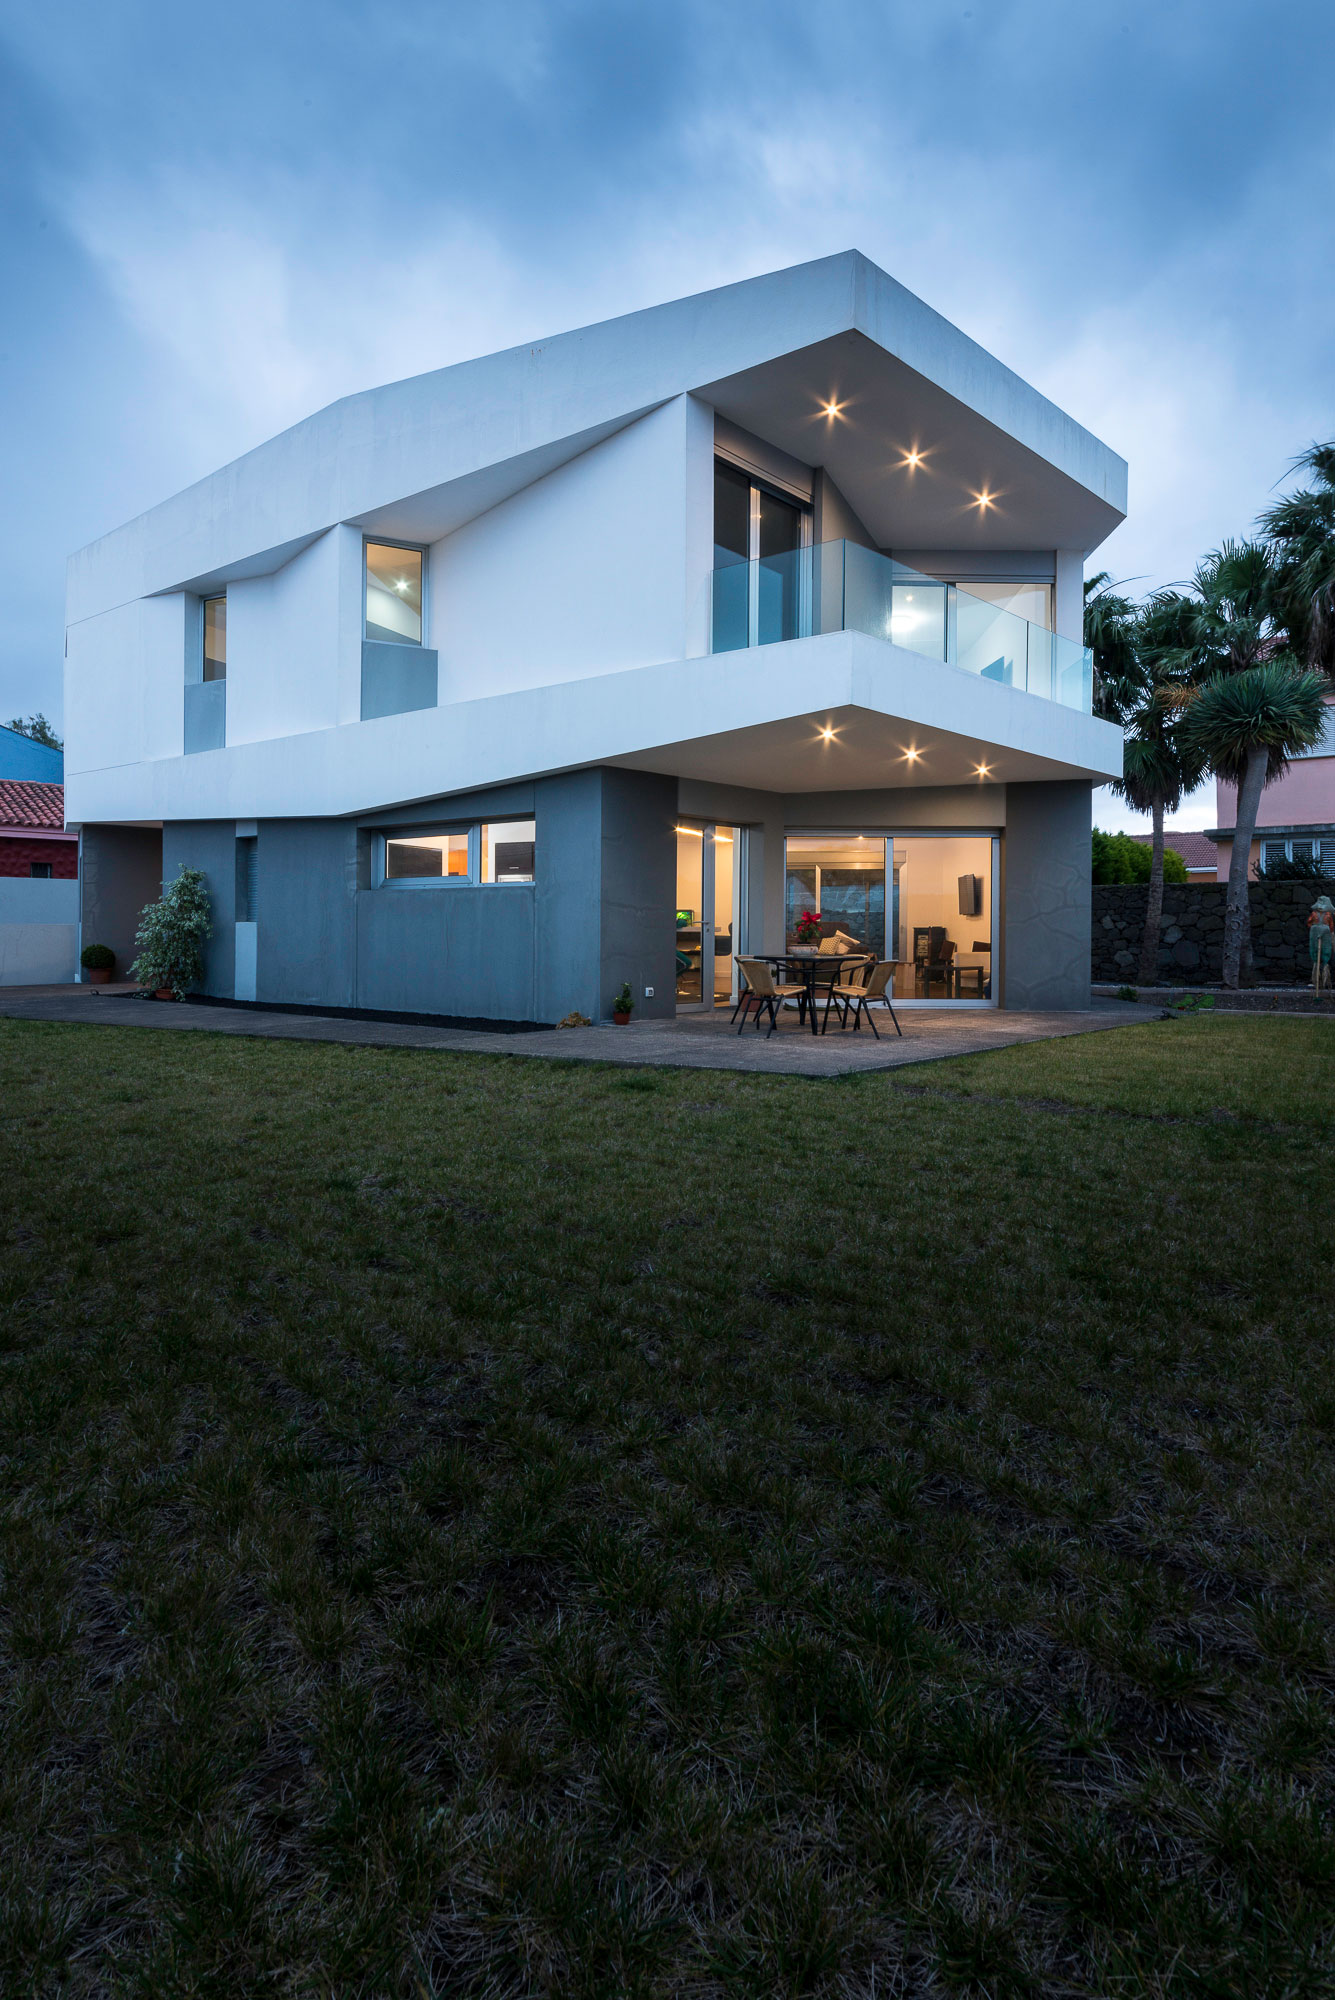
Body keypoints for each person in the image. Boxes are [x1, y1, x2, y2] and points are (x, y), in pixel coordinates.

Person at [1309, 894, 1335, 992]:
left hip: (1317, 932)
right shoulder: (1327, 914)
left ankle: (1321, 980)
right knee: (1321, 952)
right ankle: (1319, 980)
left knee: (1321, 952)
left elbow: (1309, 923)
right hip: (1324, 932)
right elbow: (1331, 926)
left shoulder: (1315, 913)